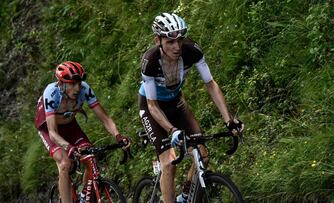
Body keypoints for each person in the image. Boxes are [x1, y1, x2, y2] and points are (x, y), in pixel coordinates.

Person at [138, 13, 244, 203]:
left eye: (179, 40)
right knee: (169, 164)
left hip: (177, 103)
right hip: (152, 108)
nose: (176, 47)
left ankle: (186, 196)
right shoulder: (151, 61)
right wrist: (172, 131)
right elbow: (152, 106)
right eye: (170, 42)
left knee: (202, 156)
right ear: (158, 40)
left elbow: (211, 84)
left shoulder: (191, 51)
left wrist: (229, 120)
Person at [34, 61, 130, 203]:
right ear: (61, 83)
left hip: (70, 126)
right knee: (65, 163)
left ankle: (85, 197)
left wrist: (118, 135)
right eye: (72, 84)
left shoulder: (85, 89)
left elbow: (105, 118)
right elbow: (53, 132)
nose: (77, 88)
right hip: (49, 129)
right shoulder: (51, 93)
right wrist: (69, 147)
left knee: (91, 155)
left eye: (79, 83)